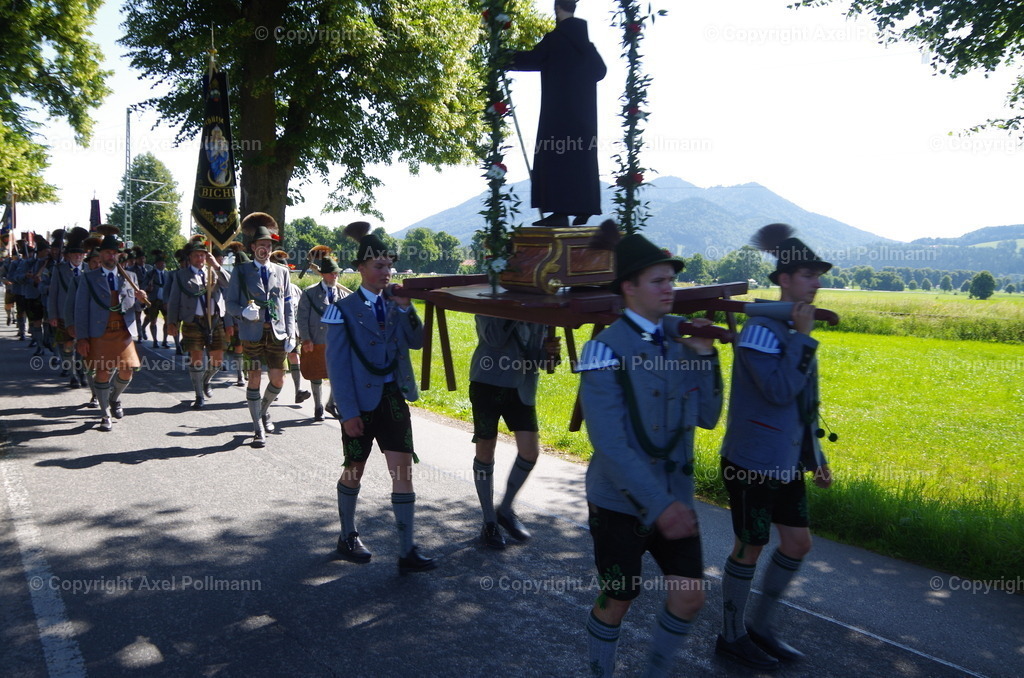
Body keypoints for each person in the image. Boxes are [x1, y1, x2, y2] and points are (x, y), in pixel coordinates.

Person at [576, 221, 722, 677]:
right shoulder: (602, 350)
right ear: (629, 288)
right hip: (619, 501)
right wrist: (659, 506)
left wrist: (705, 355)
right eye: (659, 281)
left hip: (674, 495)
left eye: (672, 280)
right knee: (618, 598)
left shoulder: (678, 344)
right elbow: (611, 444)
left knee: (690, 596)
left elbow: (708, 416)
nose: (670, 289)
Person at [714, 223, 835, 671]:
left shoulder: (791, 324)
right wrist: (801, 338)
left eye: (817, 275)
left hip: (786, 462)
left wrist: (816, 458)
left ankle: (762, 627)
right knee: (750, 546)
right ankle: (731, 635)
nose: (816, 283)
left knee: (799, 544)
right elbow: (781, 391)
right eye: (807, 275)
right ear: (784, 280)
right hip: (751, 461)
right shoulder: (761, 331)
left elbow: (805, 404)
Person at [323, 221, 433, 574]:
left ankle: (406, 549)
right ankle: (347, 534)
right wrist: (347, 413)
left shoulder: (397, 303)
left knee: (402, 470)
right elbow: (337, 367)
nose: (387, 272)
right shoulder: (341, 310)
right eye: (379, 266)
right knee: (354, 469)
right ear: (361, 269)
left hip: (392, 398)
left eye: (390, 265)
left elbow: (418, 341)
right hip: (358, 403)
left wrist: (406, 308)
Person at [509, 0, 606, 227]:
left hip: (559, 115)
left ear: (557, 9)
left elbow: (532, 59)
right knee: (581, 160)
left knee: (556, 159)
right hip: (584, 119)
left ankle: (560, 212)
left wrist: (503, 57)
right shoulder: (587, 45)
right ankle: (585, 207)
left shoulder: (555, 40)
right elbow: (601, 71)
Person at [469, 316, 560, 549]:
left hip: (522, 387)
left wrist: (550, 354)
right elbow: (495, 338)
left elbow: (540, 361)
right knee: (486, 450)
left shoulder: (538, 307)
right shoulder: (490, 301)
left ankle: (505, 509)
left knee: (530, 452)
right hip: (487, 382)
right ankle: (489, 521)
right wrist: (517, 309)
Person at [224, 212, 294, 448]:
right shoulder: (241, 271)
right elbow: (230, 303)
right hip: (252, 334)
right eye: (261, 245)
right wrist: (243, 312)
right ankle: (257, 428)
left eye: (269, 245)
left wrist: (291, 333)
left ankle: (263, 411)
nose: (265, 248)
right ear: (253, 247)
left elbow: (287, 305)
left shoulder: (282, 272)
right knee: (254, 377)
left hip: (277, 333)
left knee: (278, 380)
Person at [73, 227, 148, 432]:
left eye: (114, 253)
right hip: (99, 333)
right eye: (107, 252)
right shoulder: (89, 278)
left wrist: (140, 299)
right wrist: (82, 338)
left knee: (127, 371)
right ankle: (105, 414)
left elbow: (135, 307)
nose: (111, 256)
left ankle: (114, 398)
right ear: (100, 254)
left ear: (119, 255)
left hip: (123, 333)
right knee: (103, 372)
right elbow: (80, 310)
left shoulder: (130, 277)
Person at [167, 237, 231, 409]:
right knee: (196, 358)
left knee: (217, 359)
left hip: (215, 321)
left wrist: (216, 266)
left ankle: (206, 380)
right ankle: (198, 395)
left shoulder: (213, 272)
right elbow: (174, 301)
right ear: (190, 258)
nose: (200, 259)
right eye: (196, 256)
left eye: (203, 255)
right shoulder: (181, 275)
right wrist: (172, 322)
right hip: (193, 321)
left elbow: (229, 284)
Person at [297, 247, 350, 421]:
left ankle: (331, 404)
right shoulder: (310, 293)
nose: (335, 277)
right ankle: (318, 406)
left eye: (337, 274)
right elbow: (302, 317)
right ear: (324, 274)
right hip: (316, 339)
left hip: (337, 342)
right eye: (332, 274)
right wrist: (305, 338)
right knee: (316, 373)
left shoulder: (342, 294)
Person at [47, 227, 90, 388]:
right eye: (75, 254)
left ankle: (81, 372)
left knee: (82, 346)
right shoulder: (59, 270)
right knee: (67, 345)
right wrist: (52, 315)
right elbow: (53, 294)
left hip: (84, 316)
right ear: (69, 255)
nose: (78, 257)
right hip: (64, 314)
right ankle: (72, 375)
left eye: (81, 254)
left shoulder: (89, 270)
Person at [269, 249, 311, 404]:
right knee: (276, 362)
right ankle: (273, 387)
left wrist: (300, 331)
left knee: (295, 357)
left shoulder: (295, 290)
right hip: (275, 330)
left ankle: (298, 390)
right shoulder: (269, 289)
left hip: (292, 330)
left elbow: (300, 311)